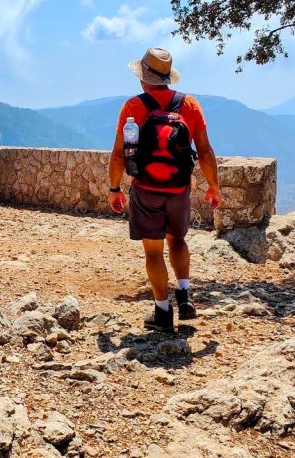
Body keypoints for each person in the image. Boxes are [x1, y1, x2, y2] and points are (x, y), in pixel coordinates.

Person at [107, 47, 221, 333]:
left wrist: (114, 188)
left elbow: (118, 155)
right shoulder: (189, 105)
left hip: (146, 188)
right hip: (179, 188)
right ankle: (184, 294)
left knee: (154, 251)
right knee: (177, 240)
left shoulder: (132, 107)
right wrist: (213, 186)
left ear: (143, 77)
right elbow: (205, 151)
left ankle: (162, 312)